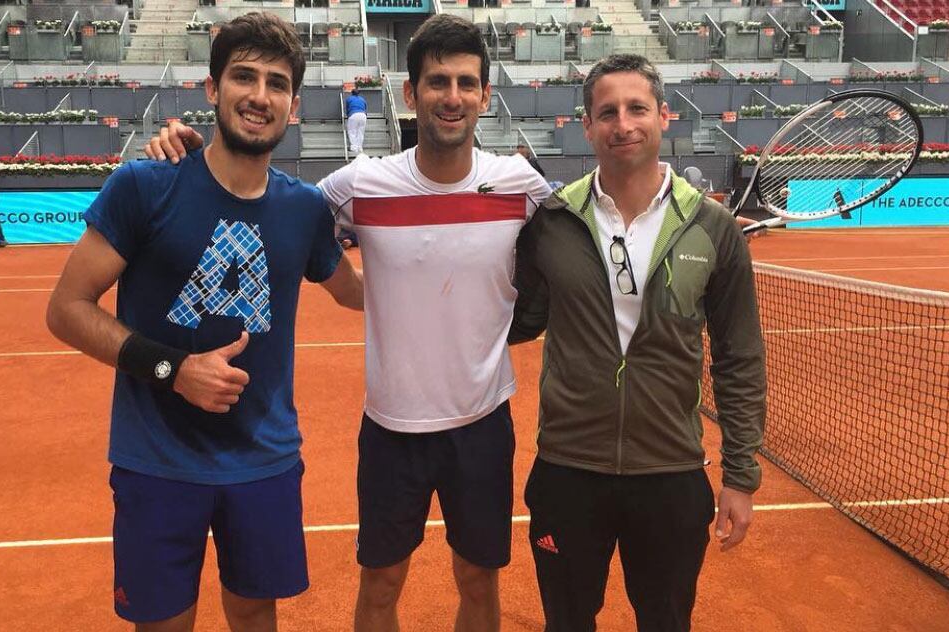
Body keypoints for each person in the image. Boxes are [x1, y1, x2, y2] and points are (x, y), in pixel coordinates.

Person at [144, 14, 552, 632]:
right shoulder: (360, 184)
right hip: (391, 428)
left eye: (467, 83)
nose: (453, 97)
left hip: (483, 423)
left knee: (478, 579)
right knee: (381, 584)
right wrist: (191, 156)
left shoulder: (521, 185)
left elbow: (589, 230)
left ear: (486, 96)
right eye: (437, 82)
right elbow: (265, 199)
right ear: (410, 94)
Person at [45, 12, 363, 632]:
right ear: (212, 89)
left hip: (264, 460)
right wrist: (172, 369)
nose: (260, 95)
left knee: (254, 614)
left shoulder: (304, 210)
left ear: (293, 105)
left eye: (277, 83)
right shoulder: (146, 185)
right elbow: (66, 309)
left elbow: (355, 293)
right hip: (157, 463)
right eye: (243, 77)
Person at [508, 54, 766, 632]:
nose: (622, 124)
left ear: (664, 116)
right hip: (568, 470)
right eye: (607, 112)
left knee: (667, 621)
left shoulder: (713, 228)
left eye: (636, 108)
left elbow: (739, 356)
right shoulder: (551, 220)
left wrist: (741, 476)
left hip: (671, 473)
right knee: (567, 622)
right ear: (587, 125)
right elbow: (519, 319)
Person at [344, 88, 367, 154]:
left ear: (352, 93)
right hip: (363, 115)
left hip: (353, 114)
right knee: (360, 132)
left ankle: (354, 147)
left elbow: (347, 108)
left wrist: (348, 115)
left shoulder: (349, 99)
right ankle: (360, 147)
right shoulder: (362, 99)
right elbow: (365, 108)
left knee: (352, 131)